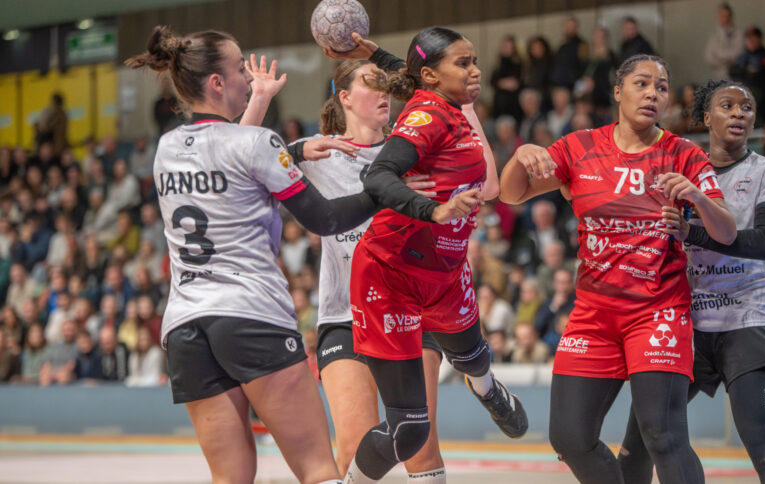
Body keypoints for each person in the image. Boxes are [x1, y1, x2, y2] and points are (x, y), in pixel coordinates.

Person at [126, 25, 376, 484]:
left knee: (231, 478)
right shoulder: (257, 144)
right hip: (253, 316)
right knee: (319, 470)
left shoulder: (165, 149)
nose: (248, 74)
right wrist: (383, 191)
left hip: (187, 326)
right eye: (241, 68)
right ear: (217, 83)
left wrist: (280, 131)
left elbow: (229, 155)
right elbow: (324, 220)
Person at [500, 54, 737, 484]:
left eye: (662, 87)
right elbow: (512, 194)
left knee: (662, 436)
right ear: (617, 91)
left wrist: (699, 200)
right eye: (642, 83)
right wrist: (522, 155)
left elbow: (725, 231)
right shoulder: (579, 146)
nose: (652, 93)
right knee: (569, 437)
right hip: (593, 315)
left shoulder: (683, 153)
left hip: (657, 312)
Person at [245, 45, 458, 481]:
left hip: (410, 311)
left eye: (388, 86)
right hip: (345, 315)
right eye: (371, 83)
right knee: (354, 448)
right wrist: (299, 151)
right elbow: (242, 163)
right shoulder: (322, 155)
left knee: (419, 446)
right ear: (344, 96)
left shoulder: (411, 149)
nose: (385, 94)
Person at [343, 27, 527, 484]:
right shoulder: (428, 117)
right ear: (432, 74)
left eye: (474, 60)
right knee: (410, 428)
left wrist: (379, 53)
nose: (476, 70)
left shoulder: (446, 103)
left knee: (474, 356)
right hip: (392, 275)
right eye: (462, 63)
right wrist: (434, 209)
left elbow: (411, 80)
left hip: (445, 267)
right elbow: (379, 177)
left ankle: (485, 388)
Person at [617, 79, 765, 484]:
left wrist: (692, 231)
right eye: (728, 106)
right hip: (687, 324)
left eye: (747, 107)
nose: (739, 113)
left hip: (749, 320)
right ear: (705, 118)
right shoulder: (678, 168)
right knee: (642, 436)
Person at [731, 27, 765, 126]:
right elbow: (734, 72)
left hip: (764, 98)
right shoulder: (741, 58)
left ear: (760, 39)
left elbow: (761, 74)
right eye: (749, 39)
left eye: (754, 39)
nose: (751, 41)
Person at [705, 3, 744, 80]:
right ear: (718, 16)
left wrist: (721, 57)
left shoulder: (738, 34)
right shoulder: (714, 36)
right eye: (722, 15)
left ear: (731, 17)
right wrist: (723, 60)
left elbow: (738, 54)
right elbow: (710, 58)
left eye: (726, 16)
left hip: (735, 75)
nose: (724, 18)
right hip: (718, 76)